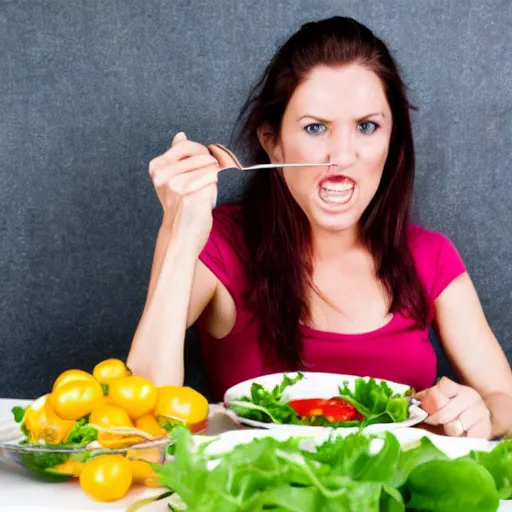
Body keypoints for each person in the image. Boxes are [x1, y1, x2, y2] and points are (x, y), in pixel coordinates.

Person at [126, 16, 512, 439]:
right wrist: (181, 232)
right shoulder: (216, 242)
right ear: (272, 141)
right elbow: (143, 412)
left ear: (392, 140)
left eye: (366, 127)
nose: (341, 157)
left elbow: (503, 396)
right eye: (315, 128)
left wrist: (485, 416)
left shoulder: (430, 256)